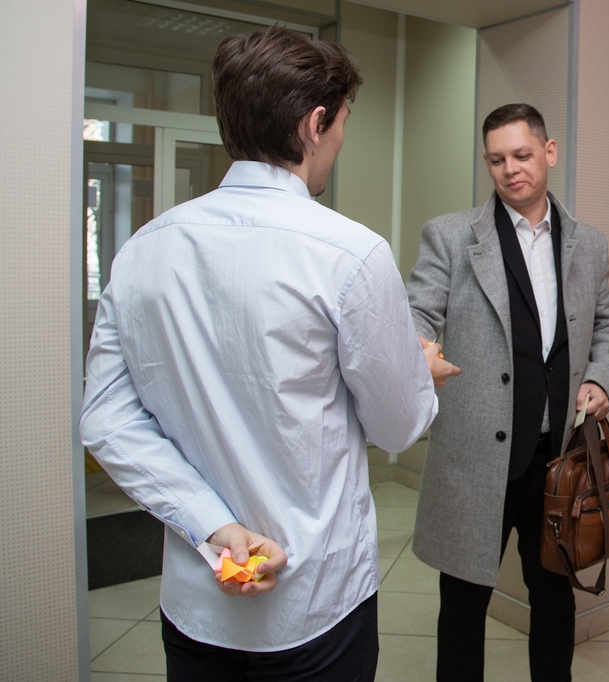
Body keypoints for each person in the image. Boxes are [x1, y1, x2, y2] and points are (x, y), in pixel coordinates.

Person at [80, 26, 454, 681]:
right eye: (342, 123)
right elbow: (398, 428)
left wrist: (214, 525)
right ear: (315, 123)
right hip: (317, 603)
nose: (340, 140)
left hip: (200, 600)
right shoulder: (350, 254)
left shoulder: (144, 249)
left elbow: (106, 420)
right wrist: (417, 374)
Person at [406, 103, 609, 681]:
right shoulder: (450, 236)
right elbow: (415, 314)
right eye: (497, 160)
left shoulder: (589, 244)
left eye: (522, 155)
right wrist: (417, 348)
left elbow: (608, 324)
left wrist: (601, 377)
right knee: (463, 604)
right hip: (476, 456)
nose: (511, 170)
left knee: (554, 595)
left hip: (557, 459)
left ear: (548, 153)